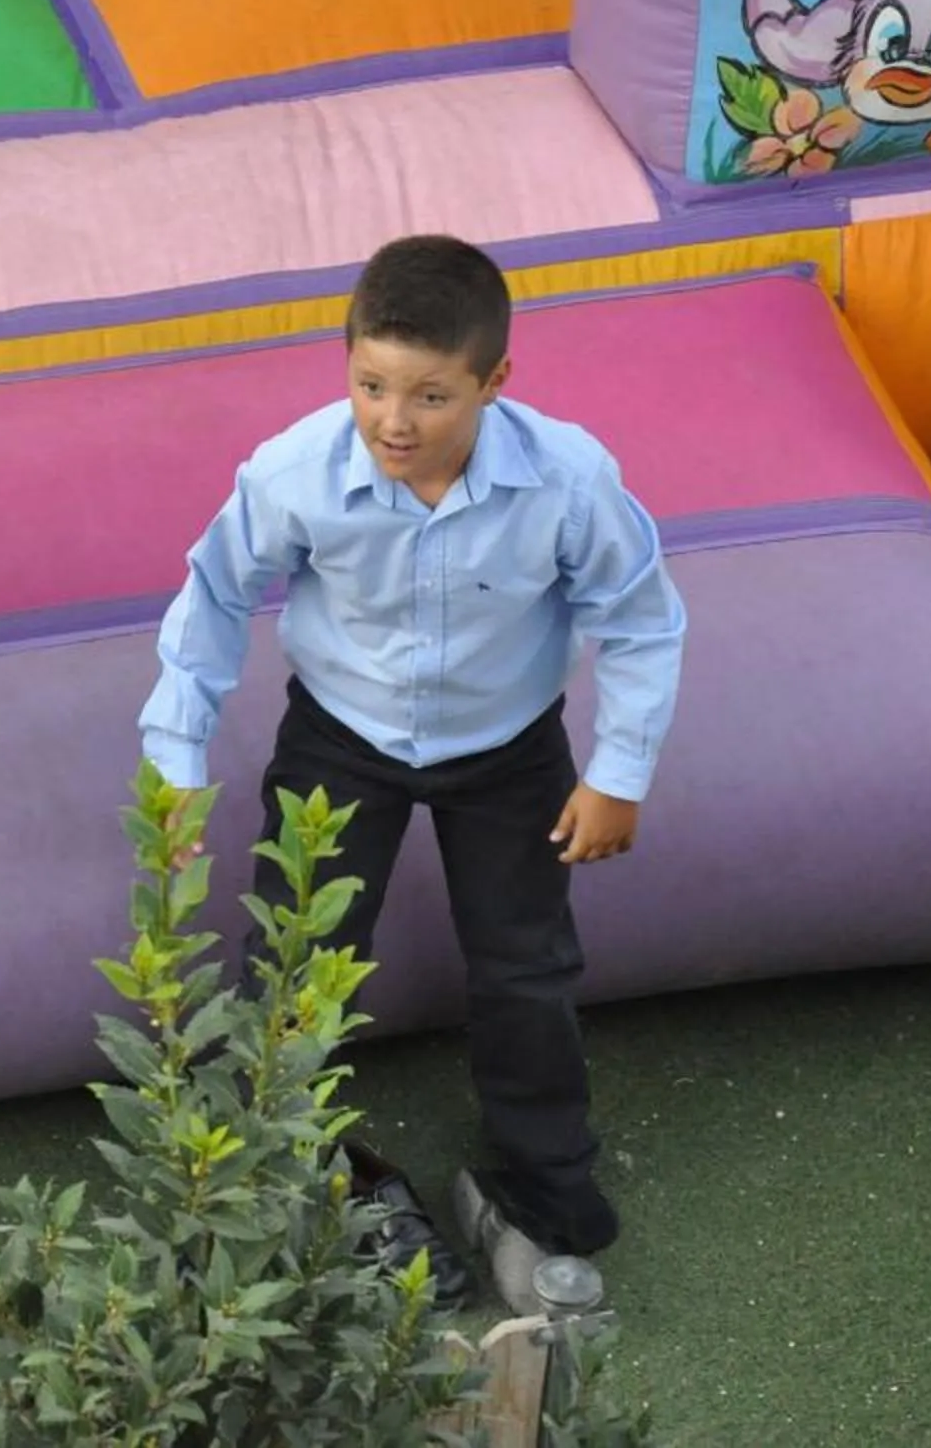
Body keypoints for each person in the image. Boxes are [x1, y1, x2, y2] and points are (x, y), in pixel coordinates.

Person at [136, 233, 686, 1315]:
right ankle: (282, 1173)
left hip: (509, 746)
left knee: (526, 966)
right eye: (371, 385)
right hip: (342, 738)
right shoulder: (295, 472)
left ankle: (545, 1191)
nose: (395, 420)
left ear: (494, 383)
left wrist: (619, 772)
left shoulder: (568, 479)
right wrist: (175, 761)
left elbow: (639, 621)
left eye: (432, 396)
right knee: (296, 960)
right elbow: (209, 597)